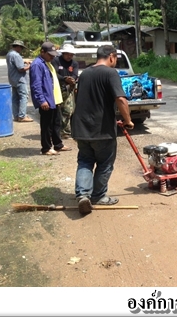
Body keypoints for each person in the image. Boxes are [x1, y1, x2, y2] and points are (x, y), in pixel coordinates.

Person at [71, 45, 134, 215]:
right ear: (111, 57)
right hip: (102, 129)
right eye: (116, 59)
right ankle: (98, 196)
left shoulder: (85, 74)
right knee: (105, 163)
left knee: (85, 161)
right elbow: (120, 99)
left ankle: (83, 195)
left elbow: (79, 96)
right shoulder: (110, 73)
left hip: (81, 127)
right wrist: (128, 120)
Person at [29, 42, 72, 156]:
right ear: (42, 52)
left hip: (54, 100)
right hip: (46, 101)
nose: (52, 57)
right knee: (47, 125)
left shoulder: (47, 63)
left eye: (53, 55)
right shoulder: (37, 65)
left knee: (56, 124)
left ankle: (58, 144)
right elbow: (36, 85)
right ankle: (46, 148)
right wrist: (42, 100)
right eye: (50, 55)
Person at [52, 44, 79, 139]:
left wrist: (72, 79)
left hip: (69, 89)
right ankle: (57, 130)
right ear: (63, 53)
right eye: (67, 54)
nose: (69, 56)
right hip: (57, 88)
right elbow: (54, 73)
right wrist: (64, 78)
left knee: (68, 110)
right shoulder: (56, 61)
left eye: (71, 54)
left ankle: (65, 131)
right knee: (56, 110)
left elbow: (75, 74)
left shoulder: (74, 63)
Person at [6, 39, 33, 122]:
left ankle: (16, 115)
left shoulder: (9, 54)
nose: (21, 49)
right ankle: (22, 116)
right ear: (18, 47)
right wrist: (30, 66)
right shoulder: (16, 55)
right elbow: (21, 69)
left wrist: (25, 61)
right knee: (23, 96)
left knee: (15, 98)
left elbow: (17, 63)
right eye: (21, 48)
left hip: (13, 79)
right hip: (19, 79)